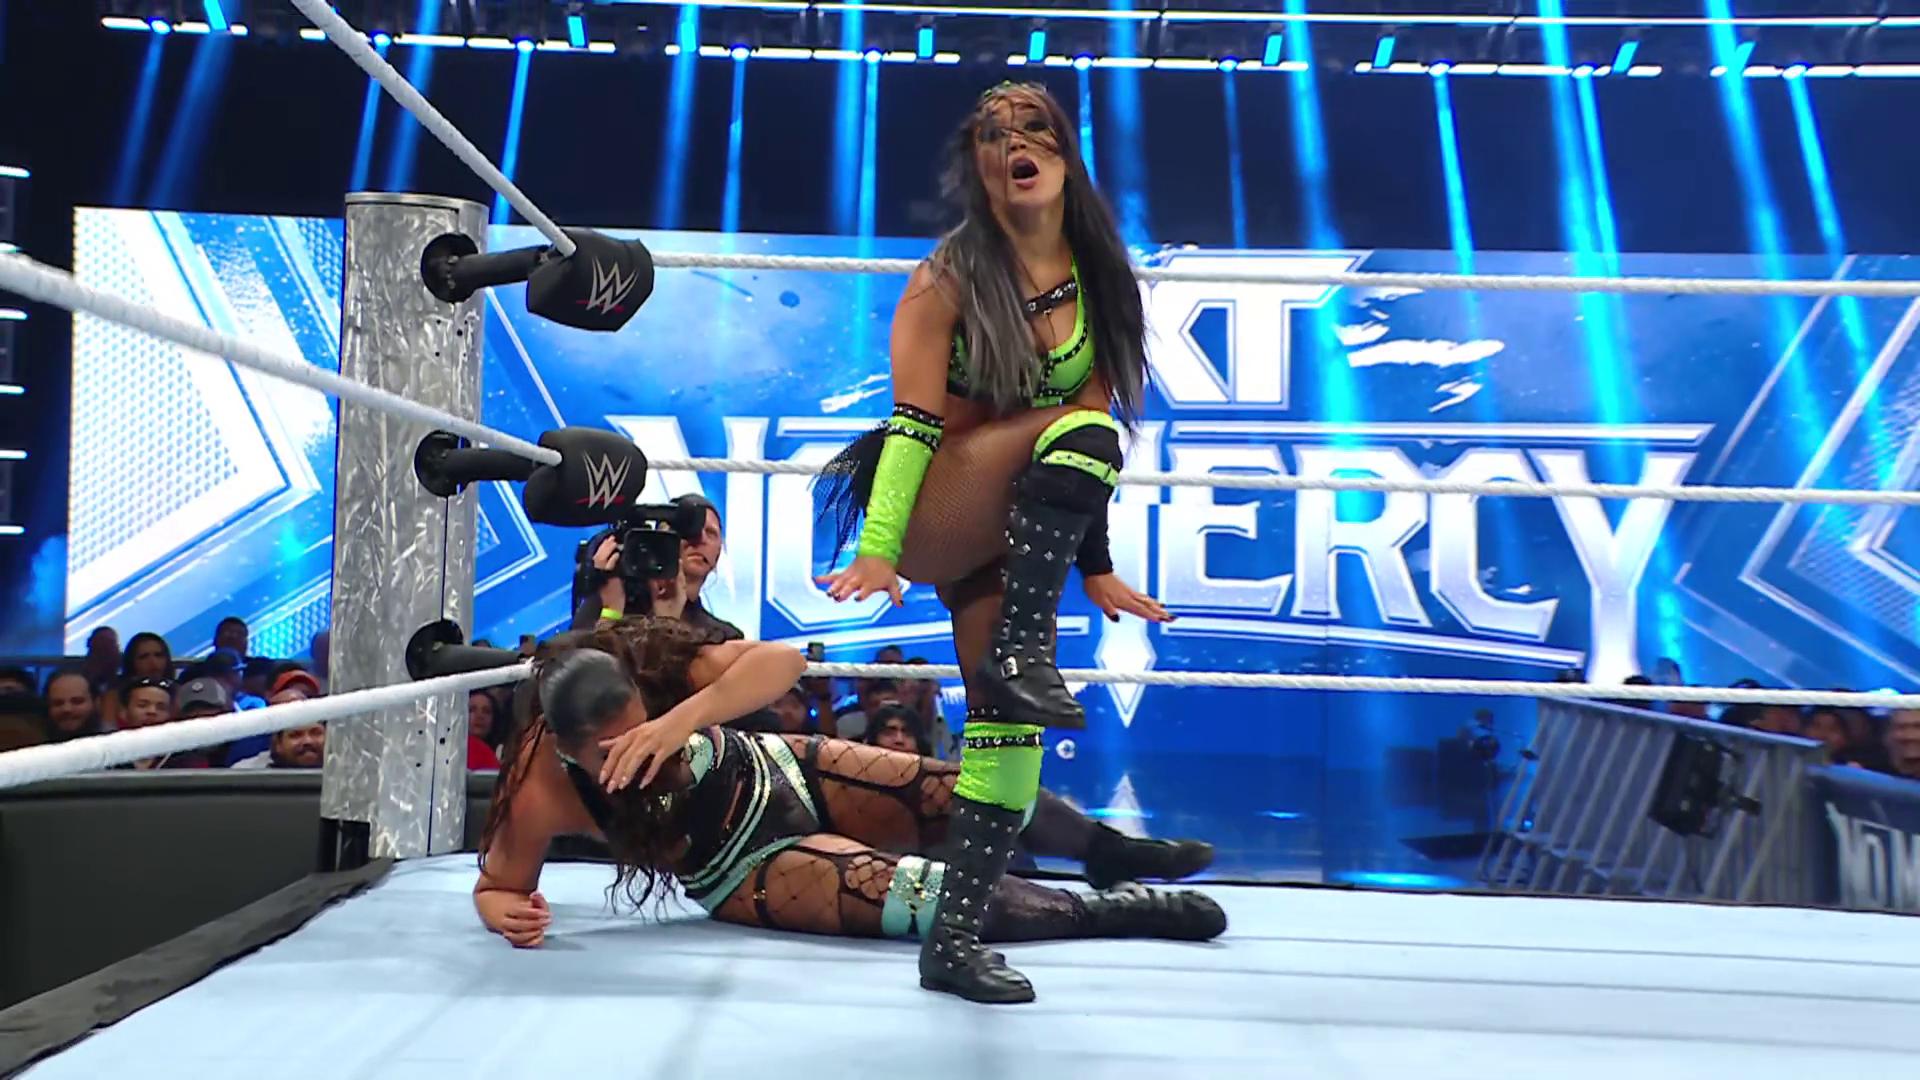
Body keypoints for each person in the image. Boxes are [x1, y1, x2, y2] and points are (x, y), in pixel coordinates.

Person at [814, 81, 1181, 1002]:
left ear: (1063, 152)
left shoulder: (1097, 280)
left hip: (1016, 518)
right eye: (993, 133)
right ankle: (1023, 651)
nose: (1015, 143)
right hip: (941, 502)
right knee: (1082, 429)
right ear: (977, 167)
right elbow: (912, 425)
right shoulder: (945, 278)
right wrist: (880, 546)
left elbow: (1091, 432)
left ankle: (954, 944)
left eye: (1033, 128)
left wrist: (1096, 568)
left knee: (1004, 728)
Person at [475, 619, 1220, 963]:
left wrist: (681, 720)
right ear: (567, 750)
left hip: (777, 767)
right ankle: (1113, 913)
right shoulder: (540, 785)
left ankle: (1107, 852)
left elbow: (783, 661)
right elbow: (497, 886)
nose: (636, 752)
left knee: (969, 793)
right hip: (737, 866)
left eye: (639, 728)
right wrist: (503, 909)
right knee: (925, 899)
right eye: (612, 753)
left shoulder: (651, 667)